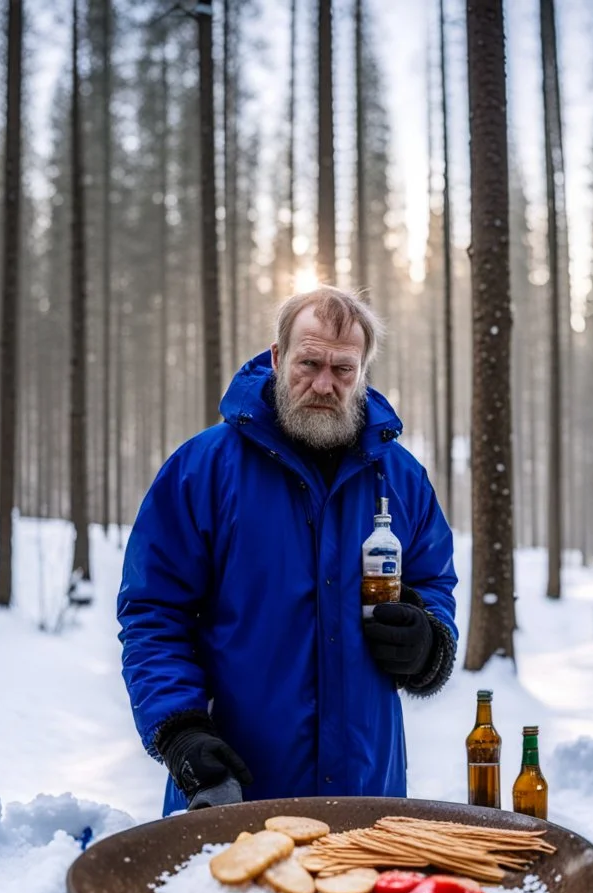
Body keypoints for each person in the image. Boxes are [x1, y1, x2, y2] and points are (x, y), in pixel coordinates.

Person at [118, 286, 458, 816]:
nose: (324, 384)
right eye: (309, 363)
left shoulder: (402, 479)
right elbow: (153, 613)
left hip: (367, 794)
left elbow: (436, 584)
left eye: (343, 369)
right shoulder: (203, 470)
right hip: (235, 789)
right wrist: (180, 732)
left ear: (363, 372)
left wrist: (429, 642)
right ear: (277, 358)